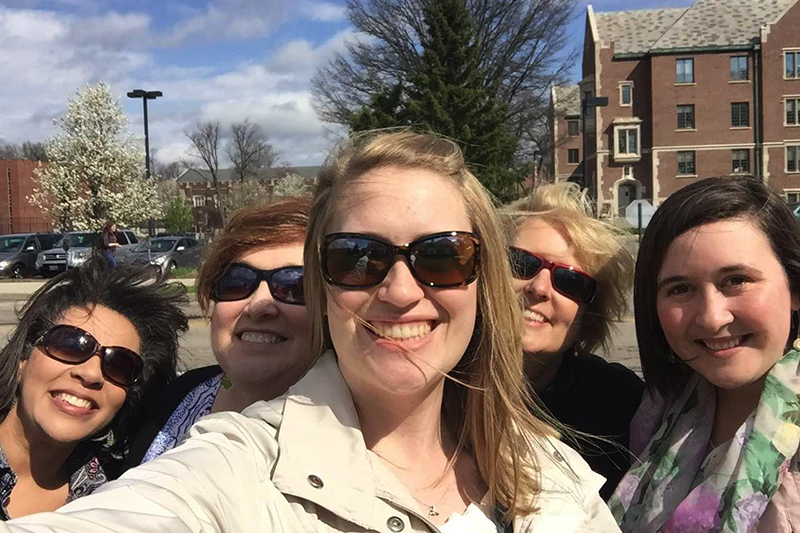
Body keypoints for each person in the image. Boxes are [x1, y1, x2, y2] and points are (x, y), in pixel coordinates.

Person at [0, 131, 620, 532]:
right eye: (357, 257)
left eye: (441, 255)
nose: (402, 292)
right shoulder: (237, 466)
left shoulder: (552, 469)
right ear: (327, 288)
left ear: (482, 279)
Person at [609, 176, 800, 532]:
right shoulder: (652, 416)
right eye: (681, 288)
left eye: (737, 280)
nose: (712, 318)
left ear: (795, 288)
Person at [121, 198, 313, 468]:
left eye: (294, 286)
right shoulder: (181, 394)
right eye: (237, 282)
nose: (258, 306)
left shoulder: (358, 437)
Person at [0, 258, 187, 519]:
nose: (90, 373)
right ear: (24, 358)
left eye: (120, 365)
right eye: (70, 344)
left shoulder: (121, 501)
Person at [504, 183, 643, 500]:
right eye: (522, 263)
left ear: (589, 317)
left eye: (570, 281)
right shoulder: (435, 387)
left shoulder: (620, 405)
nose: (539, 288)